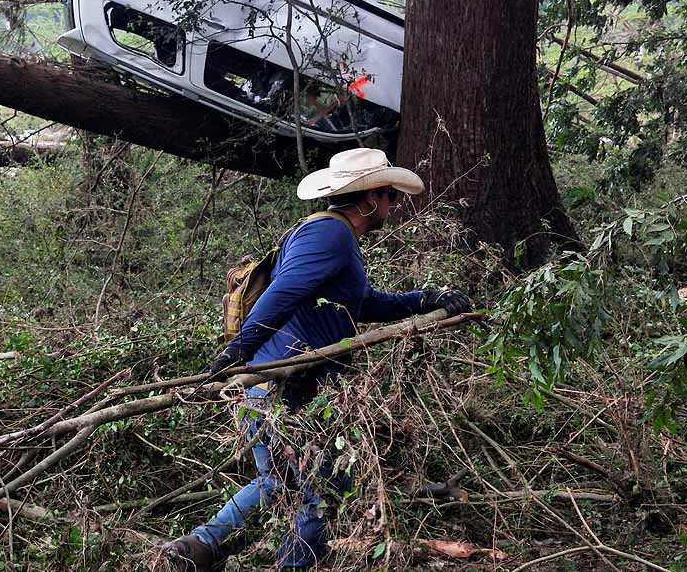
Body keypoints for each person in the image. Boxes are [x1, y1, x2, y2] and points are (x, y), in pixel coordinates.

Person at [162, 148, 472, 571]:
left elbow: (359, 303)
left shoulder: (330, 234)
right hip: (282, 387)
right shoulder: (330, 235)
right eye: (389, 197)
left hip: (281, 386)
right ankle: (273, 561)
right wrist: (238, 351)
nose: (392, 206)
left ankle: (198, 548)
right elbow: (283, 293)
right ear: (369, 199)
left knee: (285, 481)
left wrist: (425, 299)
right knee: (317, 491)